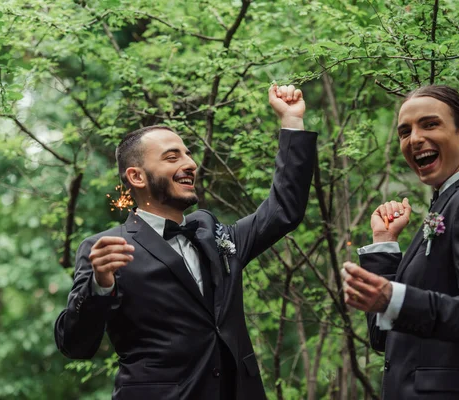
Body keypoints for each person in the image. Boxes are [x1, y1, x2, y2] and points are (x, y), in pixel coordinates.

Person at [54, 85, 317, 400]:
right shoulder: (107, 249)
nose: (190, 163)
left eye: (188, 153)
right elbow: (75, 344)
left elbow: (283, 210)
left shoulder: (214, 233)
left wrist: (291, 120)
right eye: (172, 157)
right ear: (137, 177)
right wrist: (98, 286)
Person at [342, 85, 459, 399]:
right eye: (404, 132)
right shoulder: (445, 205)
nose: (414, 139)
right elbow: (383, 337)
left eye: (429, 124)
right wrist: (383, 244)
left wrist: (395, 298)